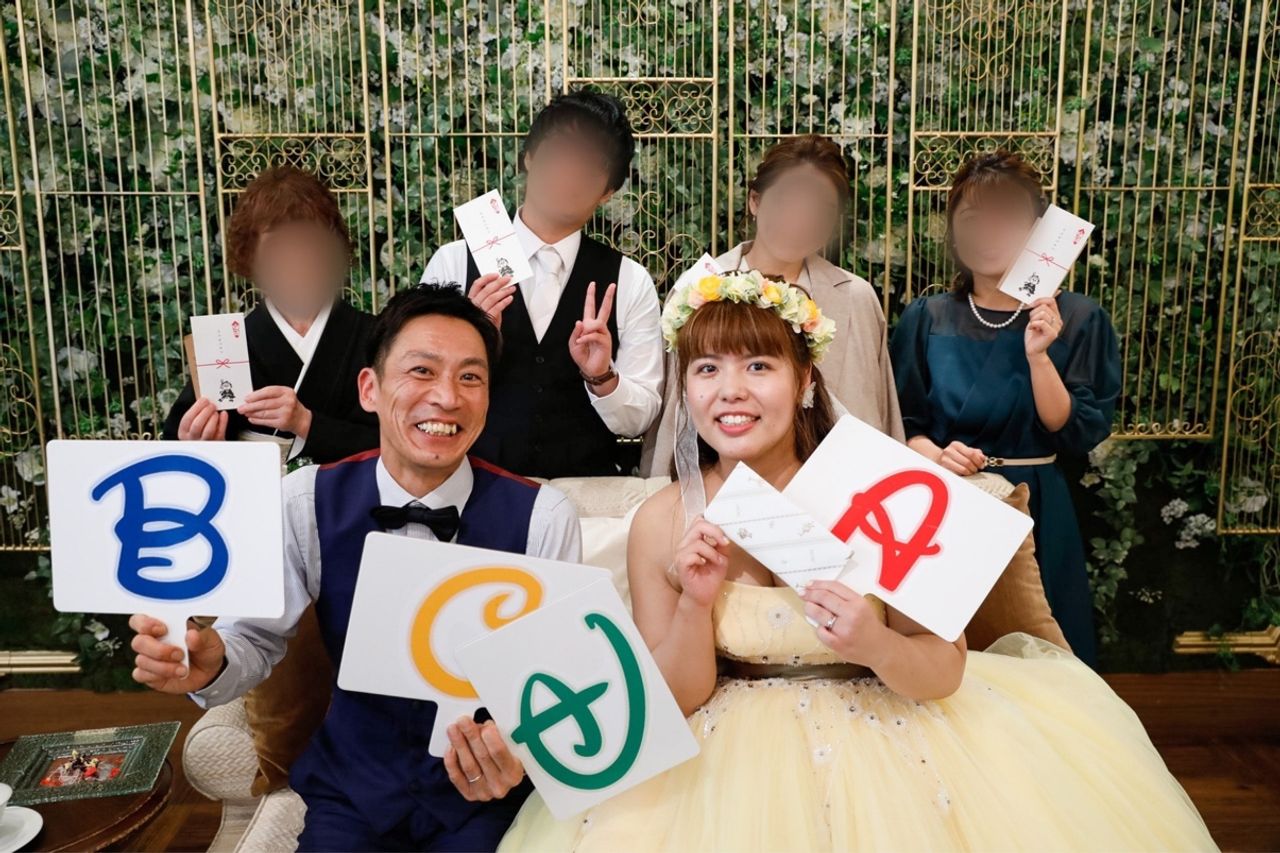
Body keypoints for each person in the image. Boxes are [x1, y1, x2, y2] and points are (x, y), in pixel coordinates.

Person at [497, 271, 1215, 851]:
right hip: (723, 757)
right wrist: (694, 601)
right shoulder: (663, 519)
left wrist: (873, 641)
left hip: (895, 733)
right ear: (686, 389)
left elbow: (944, 669)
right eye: (707, 368)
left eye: (759, 365)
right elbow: (677, 695)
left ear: (806, 380)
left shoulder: (875, 488)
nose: (731, 390)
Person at [132, 284, 581, 851]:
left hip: (483, 790)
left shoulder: (544, 516)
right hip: (354, 789)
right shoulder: (304, 499)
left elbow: (558, 680)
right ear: (370, 388)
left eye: (470, 377)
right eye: (421, 371)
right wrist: (212, 662)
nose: (447, 397)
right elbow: (255, 636)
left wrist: (521, 753)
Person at [891, 150, 1121, 666]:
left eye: (1007, 218)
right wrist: (935, 455)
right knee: (949, 655)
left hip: (1036, 505)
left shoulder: (1079, 317)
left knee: (1041, 653)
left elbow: (1075, 430)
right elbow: (902, 420)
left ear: (1037, 232)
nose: (989, 232)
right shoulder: (927, 317)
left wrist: (1039, 356)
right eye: (974, 218)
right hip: (947, 501)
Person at [422, 88, 663, 479]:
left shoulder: (629, 281)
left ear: (608, 191)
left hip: (587, 494)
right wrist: (469, 337)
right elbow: (419, 385)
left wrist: (602, 377)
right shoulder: (453, 261)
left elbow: (640, 418)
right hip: (472, 485)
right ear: (530, 156)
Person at [643, 133, 903, 477]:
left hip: (841, 484)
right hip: (724, 484)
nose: (800, 220)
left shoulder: (856, 297)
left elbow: (879, 412)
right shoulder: (699, 288)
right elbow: (677, 413)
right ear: (755, 201)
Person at [163, 166, 379, 464]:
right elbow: (179, 449)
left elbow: (397, 441)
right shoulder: (229, 345)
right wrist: (195, 440)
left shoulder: (375, 337)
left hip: (351, 492)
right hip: (254, 491)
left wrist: (307, 423)